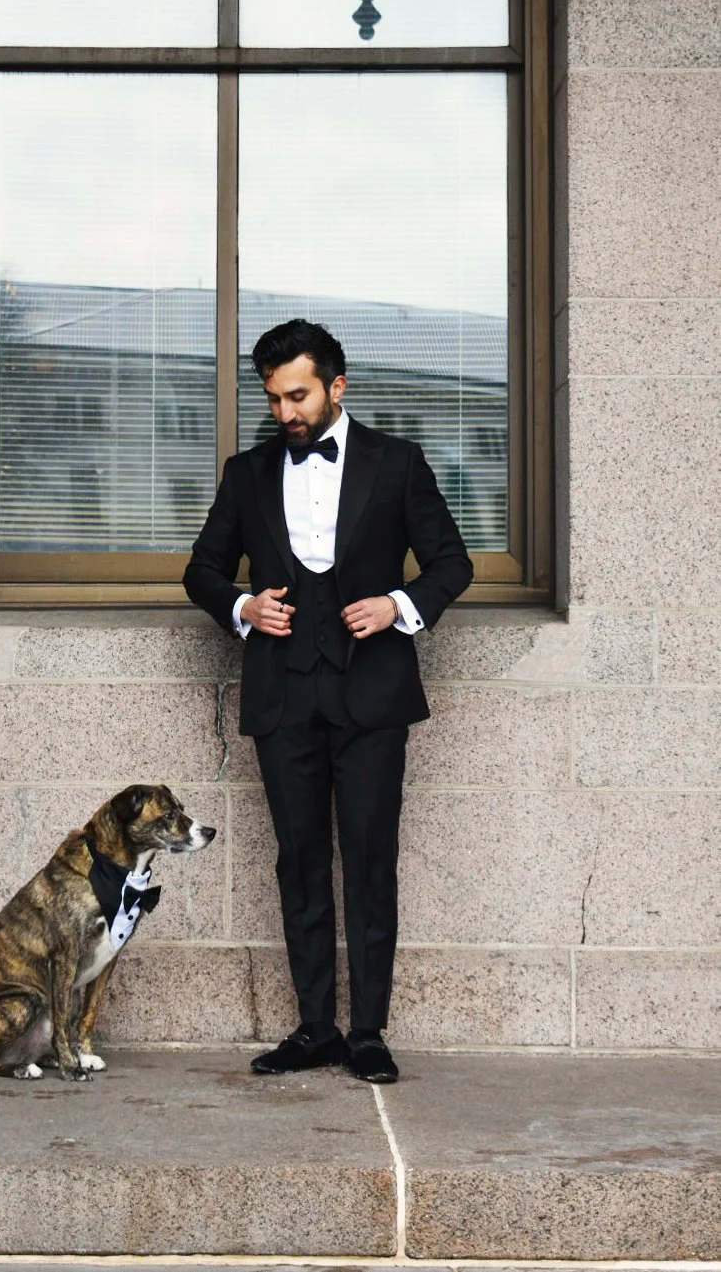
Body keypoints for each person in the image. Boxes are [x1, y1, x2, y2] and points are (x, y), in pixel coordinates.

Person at [183, 319, 472, 1083]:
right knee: (300, 861)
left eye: (299, 394)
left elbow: (452, 562)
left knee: (370, 861)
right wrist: (243, 609)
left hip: (372, 692)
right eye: (275, 397)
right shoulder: (245, 474)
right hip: (283, 693)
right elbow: (202, 570)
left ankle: (369, 1030)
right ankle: (316, 1026)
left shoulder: (398, 463)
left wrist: (398, 607)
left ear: (337, 386)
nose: (286, 412)